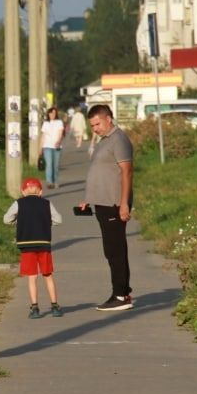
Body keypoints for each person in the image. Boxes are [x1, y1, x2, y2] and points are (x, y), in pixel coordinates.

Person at [79, 104, 135, 312]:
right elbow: (101, 172)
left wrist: (124, 203)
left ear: (108, 119)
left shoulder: (119, 140)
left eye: (97, 124)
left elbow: (126, 172)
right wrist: (88, 198)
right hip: (101, 204)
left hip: (114, 204)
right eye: (92, 125)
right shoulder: (105, 141)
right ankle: (121, 292)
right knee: (110, 250)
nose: (94, 129)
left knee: (116, 250)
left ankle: (121, 295)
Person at [4, 177, 63, 318]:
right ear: (41, 192)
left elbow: (6, 219)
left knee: (32, 277)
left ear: (23, 191)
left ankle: (35, 308)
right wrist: (47, 224)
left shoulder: (19, 203)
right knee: (48, 275)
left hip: (27, 245)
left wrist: (18, 222)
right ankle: (55, 306)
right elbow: (58, 220)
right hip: (44, 244)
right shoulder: (46, 203)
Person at [39, 106, 65, 188]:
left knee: (55, 165)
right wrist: (40, 148)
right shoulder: (45, 123)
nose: (52, 114)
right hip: (47, 146)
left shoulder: (59, 122)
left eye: (54, 113)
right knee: (49, 164)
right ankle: (49, 182)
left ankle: (55, 181)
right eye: (51, 113)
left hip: (57, 146)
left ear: (56, 114)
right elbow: (43, 136)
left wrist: (58, 141)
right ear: (48, 114)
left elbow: (61, 133)